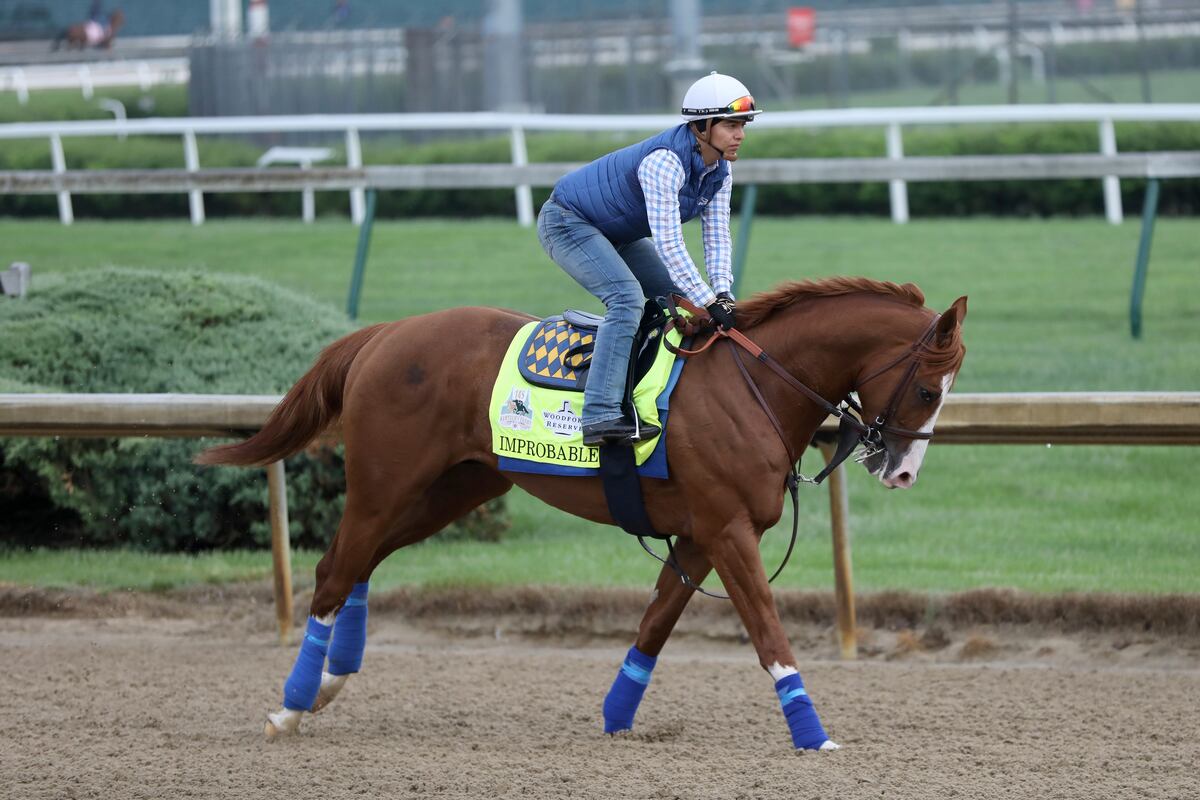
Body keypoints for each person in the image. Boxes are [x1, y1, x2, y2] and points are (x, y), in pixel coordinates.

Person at [537, 72, 761, 447]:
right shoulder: (664, 163)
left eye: (742, 125)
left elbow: (717, 235)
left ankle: (665, 398)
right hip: (567, 222)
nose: (740, 134)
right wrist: (709, 301)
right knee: (626, 300)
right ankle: (600, 414)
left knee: (679, 301)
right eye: (730, 124)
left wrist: (721, 294)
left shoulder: (721, 169)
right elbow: (670, 245)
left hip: (615, 233)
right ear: (702, 127)